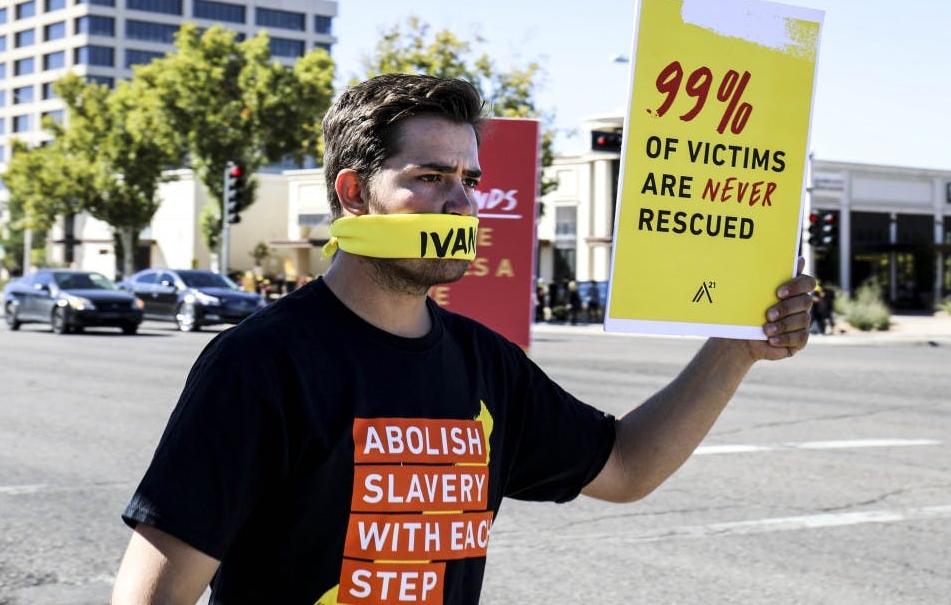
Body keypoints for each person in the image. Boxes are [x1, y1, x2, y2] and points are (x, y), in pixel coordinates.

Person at [112, 74, 814, 605]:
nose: (462, 202)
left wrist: (734, 348)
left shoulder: (486, 365)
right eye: (430, 177)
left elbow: (627, 467)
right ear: (354, 194)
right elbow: (153, 597)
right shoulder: (261, 365)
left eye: (469, 181)